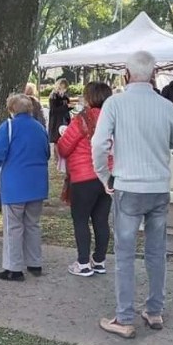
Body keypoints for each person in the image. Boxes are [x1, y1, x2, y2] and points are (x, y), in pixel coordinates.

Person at [92, 50, 173, 339]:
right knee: (156, 252)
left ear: (126, 73)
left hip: (128, 187)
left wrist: (103, 175)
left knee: (124, 254)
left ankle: (124, 317)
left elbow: (98, 145)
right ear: (154, 73)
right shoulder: (165, 105)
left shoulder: (115, 103)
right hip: (158, 187)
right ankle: (154, 310)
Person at [0, 94, 50, 281]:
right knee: (33, 224)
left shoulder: (9, 127)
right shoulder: (39, 128)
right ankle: (35, 263)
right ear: (30, 109)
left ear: (11, 109)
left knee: (13, 226)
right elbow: (46, 153)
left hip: (15, 185)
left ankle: (14, 268)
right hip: (37, 184)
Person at [57, 82, 114, 277]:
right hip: (107, 176)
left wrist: (62, 136)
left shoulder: (82, 119)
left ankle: (83, 263)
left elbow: (64, 147)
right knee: (101, 220)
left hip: (83, 177)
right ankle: (99, 261)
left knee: (81, 220)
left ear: (89, 98)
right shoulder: (114, 119)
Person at [48, 79, 71, 143]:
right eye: (61, 87)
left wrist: (70, 107)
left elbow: (67, 107)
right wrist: (66, 106)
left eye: (64, 88)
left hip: (65, 119)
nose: (62, 89)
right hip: (56, 121)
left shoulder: (65, 96)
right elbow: (53, 110)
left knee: (64, 139)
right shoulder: (53, 96)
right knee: (56, 140)